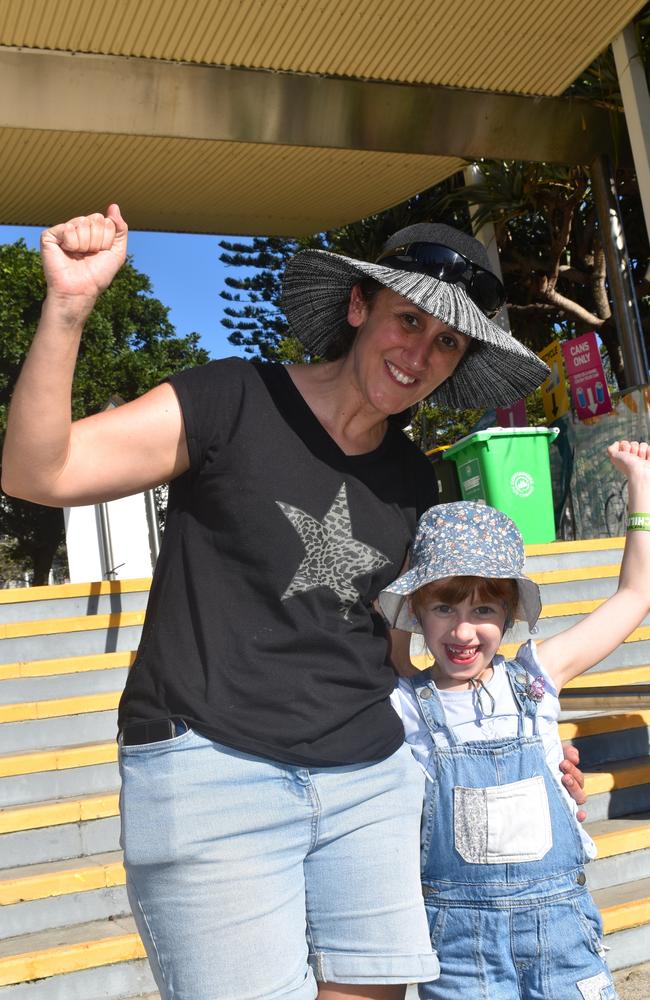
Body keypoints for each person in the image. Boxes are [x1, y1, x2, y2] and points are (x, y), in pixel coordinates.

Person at [2, 206, 584, 1000]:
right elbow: (42, 472)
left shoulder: (415, 480)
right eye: (407, 320)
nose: (419, 353)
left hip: (369, 781)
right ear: (358, 307)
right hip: (210, 768)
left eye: (446, 340)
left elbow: (400, 654)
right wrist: (68, 308)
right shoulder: (229, 398)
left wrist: (521, 744)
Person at [378, 440, 650, 1000]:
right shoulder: (405, 702)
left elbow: (635, 595)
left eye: (483, 609)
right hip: (456, 944)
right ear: (417, 613)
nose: (462, 631)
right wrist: (407, 574)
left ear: (508, 614)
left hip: (560, 931)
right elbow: (392, 650)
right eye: (443, 607)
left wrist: (640, 487)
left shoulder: (535, 676)